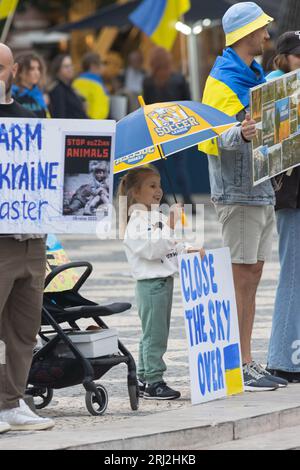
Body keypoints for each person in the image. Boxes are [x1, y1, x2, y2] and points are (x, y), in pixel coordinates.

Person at [198, 2, 288, 391]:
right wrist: (243, 133)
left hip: (258, 186)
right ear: (245, 34)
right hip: (238, 190)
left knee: (252, 274)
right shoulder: (223, 79)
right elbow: (213, 135)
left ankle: (246, 359)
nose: (268, 36)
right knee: (242, 276)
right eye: (262, 30)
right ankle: (239, 363)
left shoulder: (251, 73)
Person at [0, 43, 54, 433]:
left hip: (31, 240)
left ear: (13, 70)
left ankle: (11, 402)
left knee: (24, 329)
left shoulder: (29, 119)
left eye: (0, 67)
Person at [118, 165, 204, 400]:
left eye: (159, 185)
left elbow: (170, 247)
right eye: (152, 186)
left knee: (155, 332)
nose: (159, 191)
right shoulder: (135, 222)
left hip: (163, 283)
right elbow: (152, 250)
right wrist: (171, 224)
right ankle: (154, 380)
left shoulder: (154, 218)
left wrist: (188, 248)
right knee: (154, 335)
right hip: (151, 286)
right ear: (135, 192)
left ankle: (145, 377)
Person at [266, 32, 300, 383]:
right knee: (292, 275)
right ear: (285, 57)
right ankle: (282, 359)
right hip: (291, 193)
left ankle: (292, 355)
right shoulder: (274, 87)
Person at [143, 47, 195, 208]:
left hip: (157, 129)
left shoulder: (148, 81)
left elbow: (146, 106)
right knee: (180, 167)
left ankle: (162, 199)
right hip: (178, 128)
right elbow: (188, 103)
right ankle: (188, 200)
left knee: (158, 168)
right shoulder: (179, 79)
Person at [48, 54, 87, 119]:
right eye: (66, 66)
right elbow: (60, 116)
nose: (70, 69)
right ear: (57, 70)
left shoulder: (70, 88)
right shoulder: (57, 90)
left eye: (71, 65)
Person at [72, 52, 110, 120]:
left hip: (79, 123)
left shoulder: (75, 83)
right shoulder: (96, 85)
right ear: (93, 66)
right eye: (102, 63)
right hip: (95, 125)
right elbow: (99, 110)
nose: (104, 67)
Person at [12, 53, 49, 118]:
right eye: (32, 69)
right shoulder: (12, 94)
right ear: (20, 72)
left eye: (38, 68)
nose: (37, 72)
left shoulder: (40, 94)